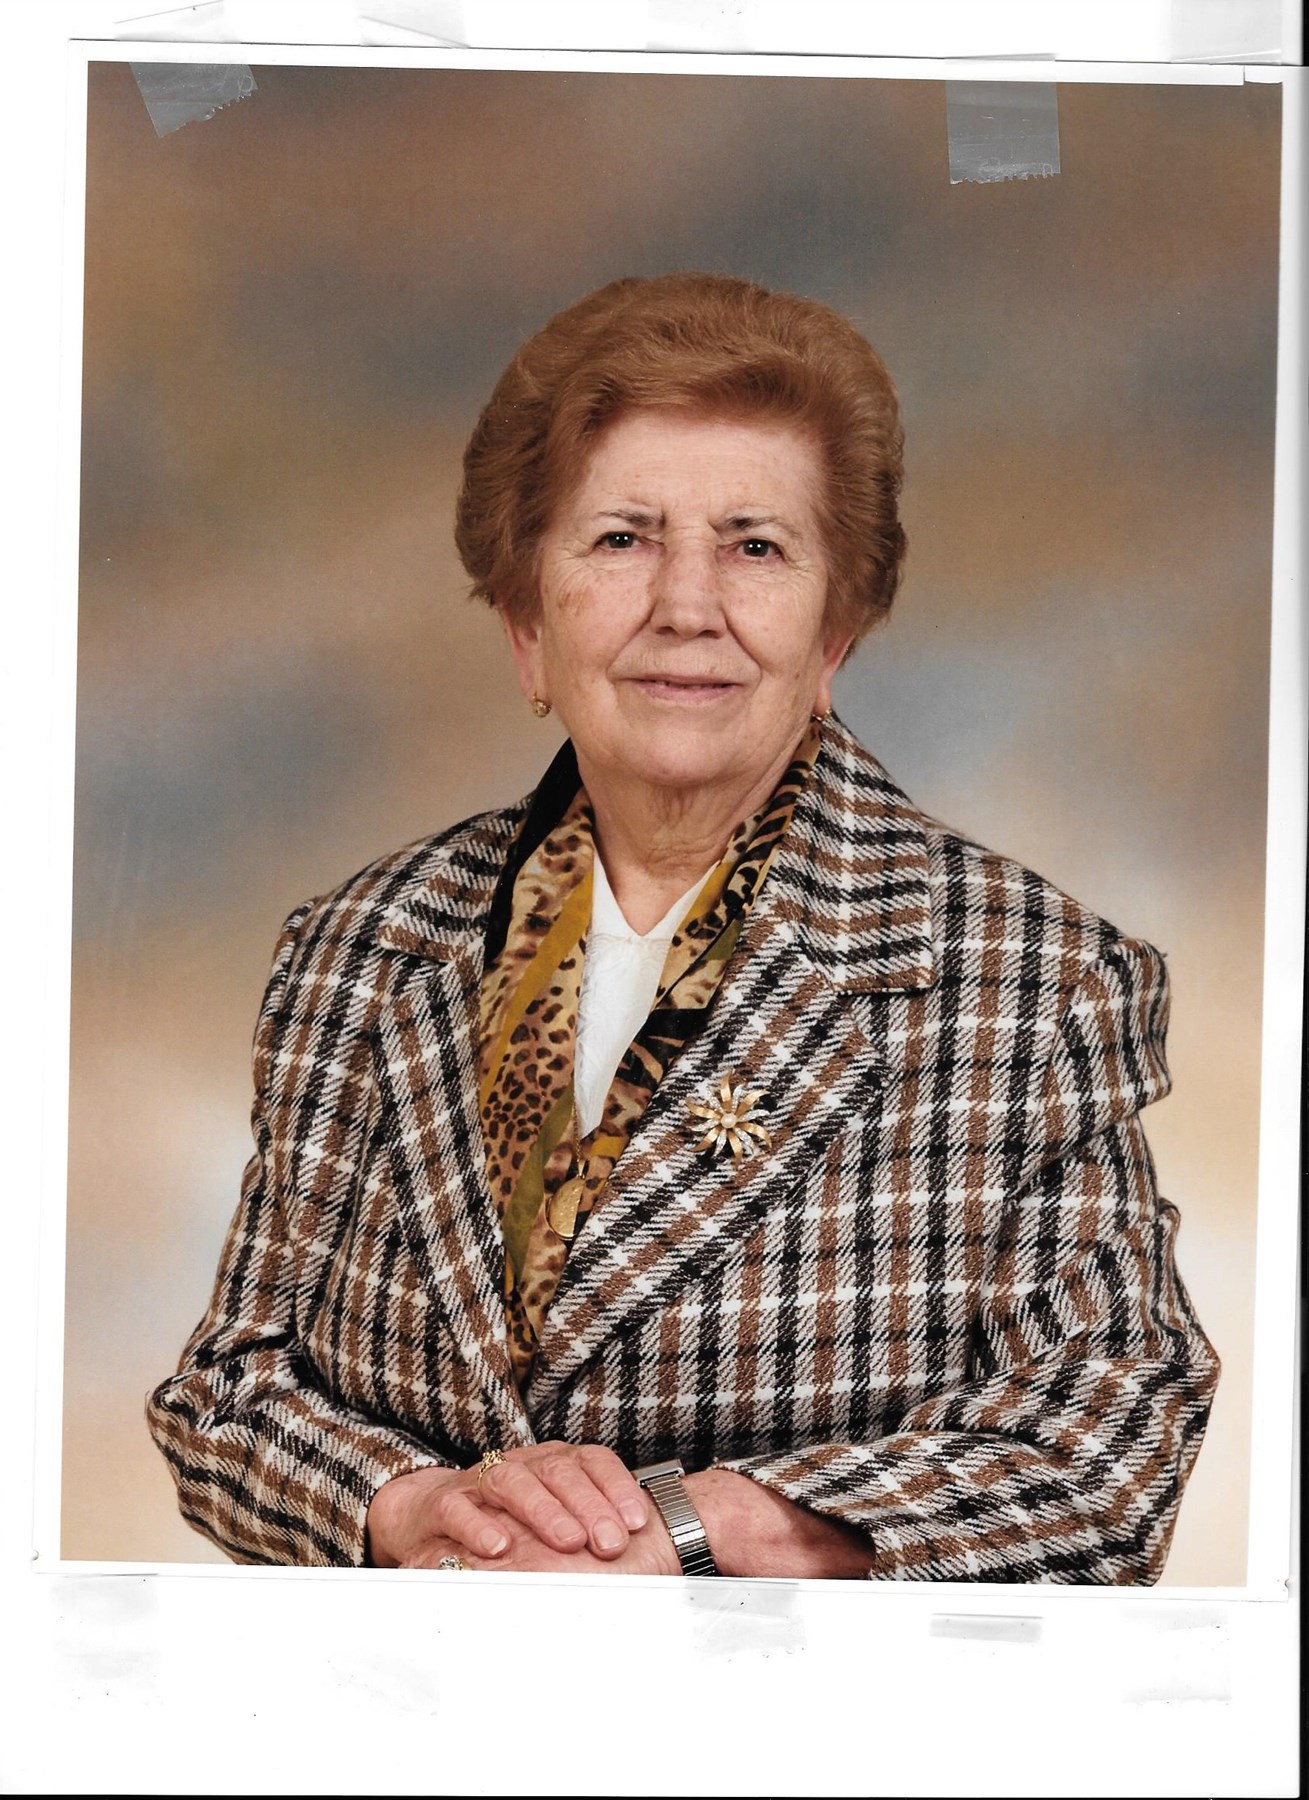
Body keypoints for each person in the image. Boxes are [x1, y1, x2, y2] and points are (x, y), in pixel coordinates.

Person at [146, 271, 1218, 1581]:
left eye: (754, 547)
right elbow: (229, 1390)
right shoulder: (355, 950)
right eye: (621, 540)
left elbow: (1111, 1442)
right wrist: (412, 1508)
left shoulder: (1028, 980)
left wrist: (708, 1528)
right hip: (420, 1696)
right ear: (526, 624)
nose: (686, 606)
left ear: (833, 634)